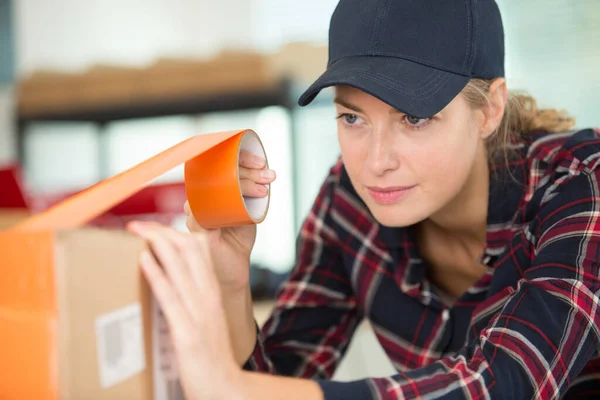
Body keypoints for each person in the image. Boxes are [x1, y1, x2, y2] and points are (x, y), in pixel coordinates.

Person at [126, 0, 600, 399]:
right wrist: (231, 284)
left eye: (413, 118)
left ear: (489, 110)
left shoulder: (583, 183)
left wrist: (228, 388)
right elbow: (280, 383)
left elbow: (509, 382)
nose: (375, 162)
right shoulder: (349, 202)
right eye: (353, 118)